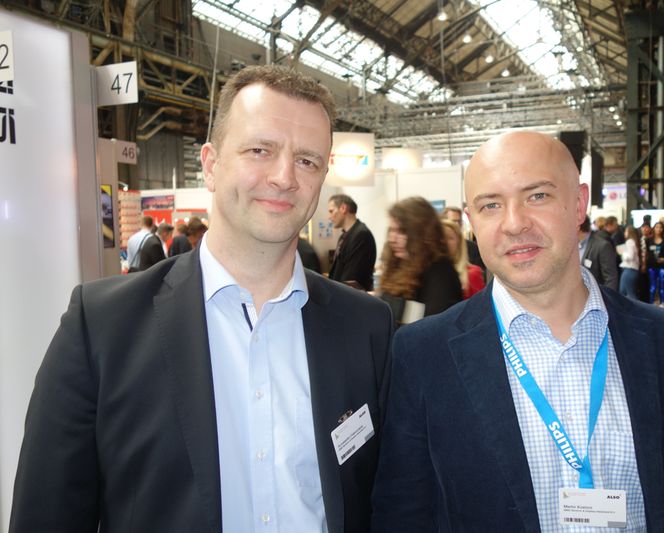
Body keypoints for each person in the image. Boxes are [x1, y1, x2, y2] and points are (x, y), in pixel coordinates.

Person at [10, 65, 393, 533]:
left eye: (307, 160)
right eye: (260, 150)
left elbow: (388, 497)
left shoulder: (367, 328)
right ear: (211, 165)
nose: (283, 177)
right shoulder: (102, 327)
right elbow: (47, 516)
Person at [371, 131, 664, 532]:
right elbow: (403, 513)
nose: (515, 223)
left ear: (578, 203)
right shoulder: (421, 355)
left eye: (537, 196)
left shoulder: (663, 339)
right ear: (472, 222)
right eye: (491, 205)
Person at [378, 196, 462, 325]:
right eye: (392, 230)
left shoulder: (441, 271)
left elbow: (432, 325)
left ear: (423, 233)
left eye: (402, 231)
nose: (392, 239)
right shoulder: (399, 264)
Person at [327, 194, 377, 290]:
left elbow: (352, 278)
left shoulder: (361, 234)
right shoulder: (344, 236)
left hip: (353, 298)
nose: (329, 217)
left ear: (343, 208)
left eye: (331, 211)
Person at [441, 219, 485, 298]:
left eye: (449, 238)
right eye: (440, 237)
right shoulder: (430, 272)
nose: (444, 242)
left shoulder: (472, 273)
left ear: (459, 242)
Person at [578, 215, 619, 291]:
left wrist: (607, 300)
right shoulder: (572, 245)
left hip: (597, 297)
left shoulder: (602, 245)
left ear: (578, 226)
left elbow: (611, 278)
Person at [443, 205, 485, 273]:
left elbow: (481, 274)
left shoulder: (473, 248)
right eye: (453, 221)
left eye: (459, 221)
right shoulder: (438, 249)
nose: (457, 224)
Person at [647, 221, 664, 306]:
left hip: (662, 266)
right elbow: (646, 253)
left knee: (662, 285)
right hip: (651, 266)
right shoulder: (649, 240)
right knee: (652, 286)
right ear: (654, 228)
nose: (659, 229)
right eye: (657, 227)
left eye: (661, 227)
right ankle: (651, 302)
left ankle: (662, 303)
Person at [618, 225, 641, 300]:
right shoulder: (634, 241)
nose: (624, 233)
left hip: (629, 269)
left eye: (626, 231)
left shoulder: (630, 242)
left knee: (629, 293)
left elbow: (630, 256)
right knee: (627, 292)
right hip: (632, 269)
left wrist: (622, 253)